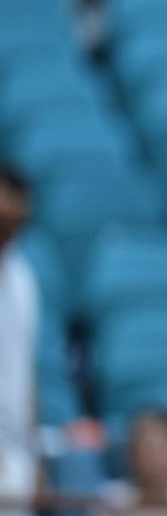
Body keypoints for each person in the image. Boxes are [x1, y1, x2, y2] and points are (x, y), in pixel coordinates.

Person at [0, 166, 40, 516]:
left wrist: (35, 455)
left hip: (13, 455)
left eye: (15, 224)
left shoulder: (23, 278)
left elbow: (26, 377)